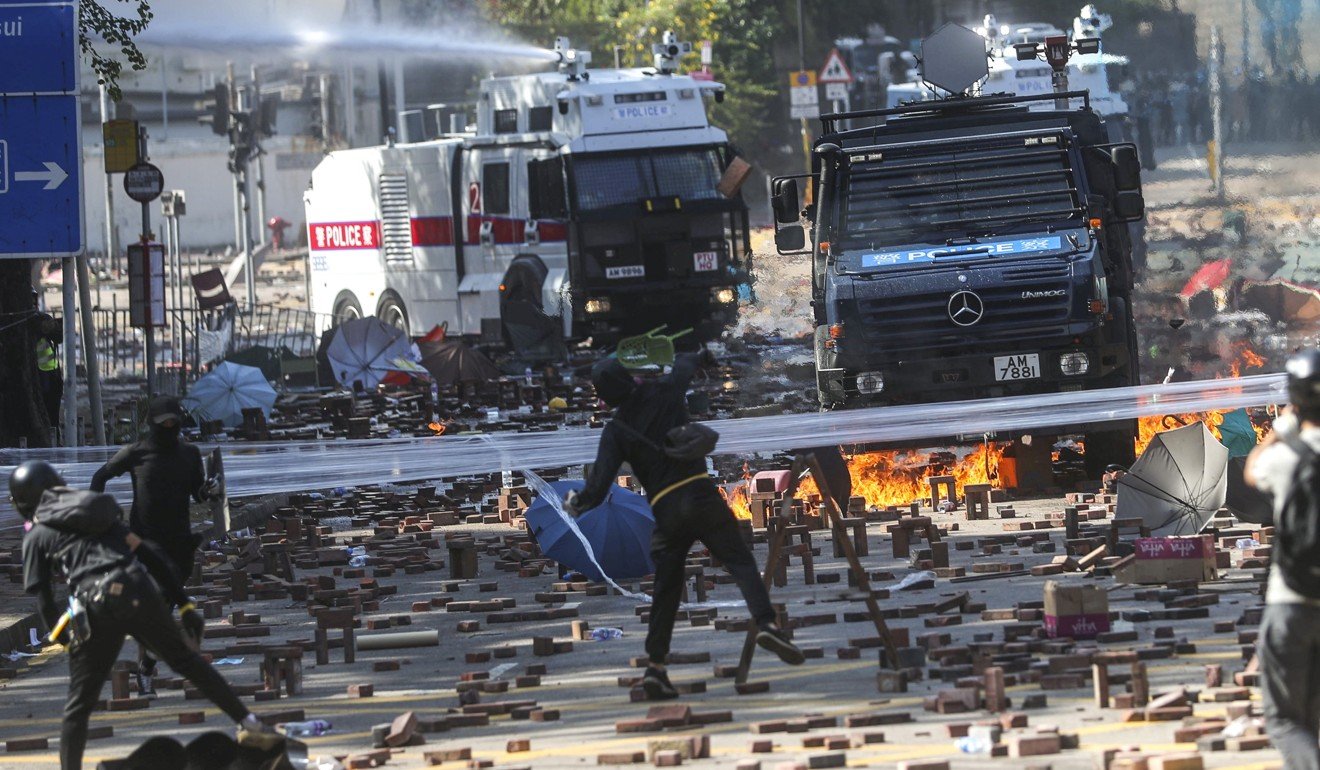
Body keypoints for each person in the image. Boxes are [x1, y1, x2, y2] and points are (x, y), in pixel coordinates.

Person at [9, 461, 280, 770]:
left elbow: (43, 600)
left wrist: (68, 640)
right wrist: (185, 604)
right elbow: (149, 553)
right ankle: (253, 725)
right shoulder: (97, 515)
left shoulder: (37, 535)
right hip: (137, 587)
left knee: (79, 706)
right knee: (185, 661)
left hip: (96, 602)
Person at [568, 351, 803, 701]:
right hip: (701, 496)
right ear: (632, 376)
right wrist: (688, 354)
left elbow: (598, 486)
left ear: (605, 398)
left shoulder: (616, 431)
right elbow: (685, 364)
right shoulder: (664, 391)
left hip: (666, 510)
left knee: (666, 590)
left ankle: (656, 669)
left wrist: (576, 502)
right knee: (739, 561)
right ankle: (766, 623)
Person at [90, 395, 218, 696]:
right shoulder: (135, 453)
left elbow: (198, 494)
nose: (170, 429)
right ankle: (145, 670)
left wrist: (211, 489)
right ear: (153, 425)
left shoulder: (189, 454)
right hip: (143, 543)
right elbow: (100, 476)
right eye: (165, 424)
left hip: (179, 545)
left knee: (164, 607)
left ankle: (146, 663)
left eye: (175, 423)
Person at [1244, 348, 1320, 770]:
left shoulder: (1286, 456)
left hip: (1291, 601)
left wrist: (1282, 426)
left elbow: (1252, 472)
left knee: (1288, 721)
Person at [34, 310, 63, 436]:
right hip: (42, 374)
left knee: (52, 412)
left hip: (51, 373)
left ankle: (54, 436)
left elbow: (58, 336)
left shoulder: (40, 319)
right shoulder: (30, 324)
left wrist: (50, 325)